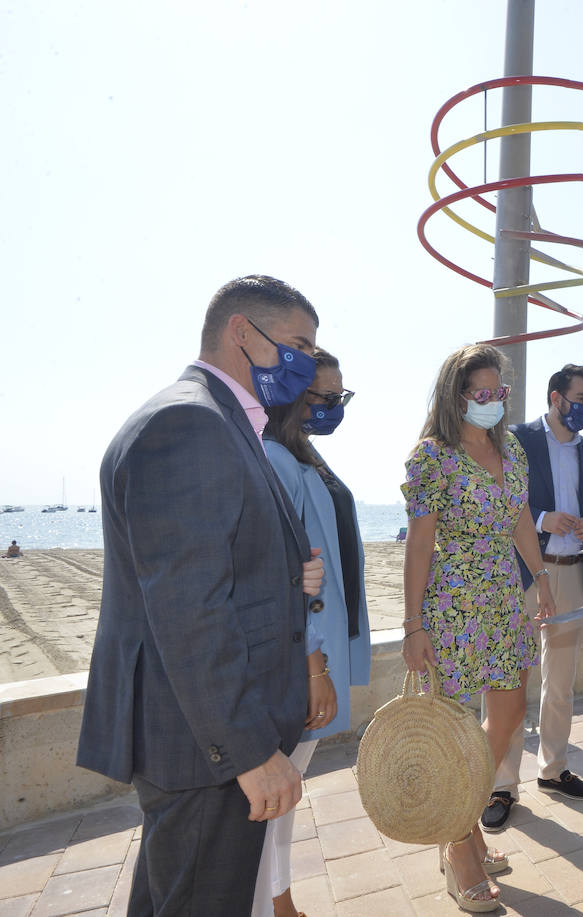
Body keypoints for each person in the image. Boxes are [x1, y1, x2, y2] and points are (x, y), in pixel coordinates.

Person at [77, 275, 325, 915]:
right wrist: (248, 752)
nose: (306, 364)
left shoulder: (220, 423)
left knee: (173, 897)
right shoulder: (191, 421)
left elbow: (216, 569)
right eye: (297, 345)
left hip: (196, 740)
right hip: (201, 749)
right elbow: (190, 611)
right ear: (243, 332)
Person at [399, 343, 555, 913]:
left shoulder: (510, 448)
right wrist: (413, 624)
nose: (492, 402)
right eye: (480, 393)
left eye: (500, 393)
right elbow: (419, 542)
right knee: (457, 726)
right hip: (452, 604)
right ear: (456, 396)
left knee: (511, 713)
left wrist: (539, 574)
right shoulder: (431, 457)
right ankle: (460, 844)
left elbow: (518, 515)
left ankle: (459, 814)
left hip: (503, 600)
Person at [254, 349, 372, 917]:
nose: (333, 407)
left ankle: (280, 899)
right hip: (303, 659)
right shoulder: (276, 458)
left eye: (339, 397)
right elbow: (292, 575)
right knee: (275, 794)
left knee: (285, 794)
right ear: (293, 398)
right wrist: (315, 666)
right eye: (324, 397)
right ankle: (271, 902)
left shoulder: (302, 454)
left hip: (319, 650)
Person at [485, 364, 583, 831]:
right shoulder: (517, 438)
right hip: (523, 575)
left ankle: (552, 770)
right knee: (509, 682)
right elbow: (499, 499)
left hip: (572, 574)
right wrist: (540, 519)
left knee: (561, 683)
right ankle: (500, 784)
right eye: (580, 398)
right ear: (556, 396)